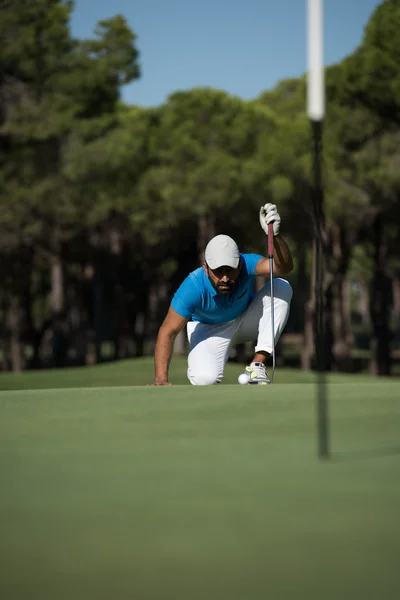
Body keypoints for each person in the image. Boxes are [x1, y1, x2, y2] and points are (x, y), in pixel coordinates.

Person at [151, 203, 293, 386]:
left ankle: (257, 364)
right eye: (218, 271)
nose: (225, 277)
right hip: (208, 331)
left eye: (230, 270)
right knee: (204, 380)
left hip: (245, 319)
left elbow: (283, 267)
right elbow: (167, 332)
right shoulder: (192, 286)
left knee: (281, 286)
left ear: (239, 264)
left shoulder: (246, 263)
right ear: (206, 268)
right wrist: (161, 379)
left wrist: (275, 237)